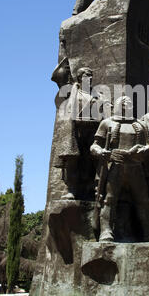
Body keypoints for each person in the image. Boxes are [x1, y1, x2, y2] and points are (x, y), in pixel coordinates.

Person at [90, 96, 149, 242]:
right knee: (109, 199)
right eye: (123, 102)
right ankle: (106, 232)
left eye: (129, 102)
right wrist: (100, 151)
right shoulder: (107, 123)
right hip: (115, 164)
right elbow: (94, 145)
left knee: (143, 200)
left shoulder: (140, 124)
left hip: (135, 166)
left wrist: (144, 149)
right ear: (117, 105)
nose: (127, 104)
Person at [54, 67, 103, 200]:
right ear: (80, 77)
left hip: (93, 129)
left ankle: (88, 188)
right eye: (87, 75)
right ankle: (72, 189)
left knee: (89, 160)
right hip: (76, 129)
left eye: (91, 75)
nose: (90, 77)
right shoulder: (72, 93)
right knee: (73, 160)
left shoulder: (97, 95)